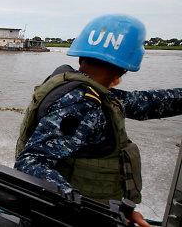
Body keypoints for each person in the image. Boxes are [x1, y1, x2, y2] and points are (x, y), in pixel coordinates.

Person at [14, 14, 182, 227]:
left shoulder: (80, 90)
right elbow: (31, 161)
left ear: (80, 57)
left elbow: (143, 103)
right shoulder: (82, 103)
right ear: (124, 68)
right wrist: (94, 212)